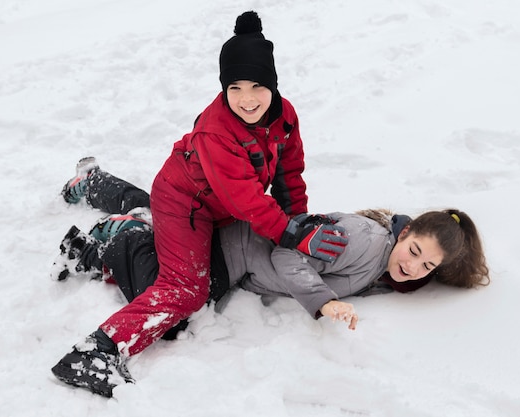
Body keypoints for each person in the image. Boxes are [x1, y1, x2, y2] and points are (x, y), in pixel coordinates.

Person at [50, 10, 351, 397]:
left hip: (214, 207)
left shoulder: (285, 117)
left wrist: (299, 221)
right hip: (184, 204)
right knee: (186, 290)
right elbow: (247, 200)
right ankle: (96, 352)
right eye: (235, 87)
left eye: (258, 86)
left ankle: (97, 196)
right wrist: (291, 233)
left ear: (274, 86)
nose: (247, 99)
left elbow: (288, 175)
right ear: (224, 88)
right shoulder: (216, 131)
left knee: (183, 256)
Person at [50, 162, 490, 397]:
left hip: (234, 253)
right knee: (173, 306)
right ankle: (120, 236)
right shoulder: (366, 240)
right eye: (414, 253)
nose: (414, 268)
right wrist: (323, 303)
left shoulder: (388, 264)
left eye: (427, 267)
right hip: (229, 251)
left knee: (167, 217)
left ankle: (98, 187)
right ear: (406, 232)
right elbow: (286, 252)